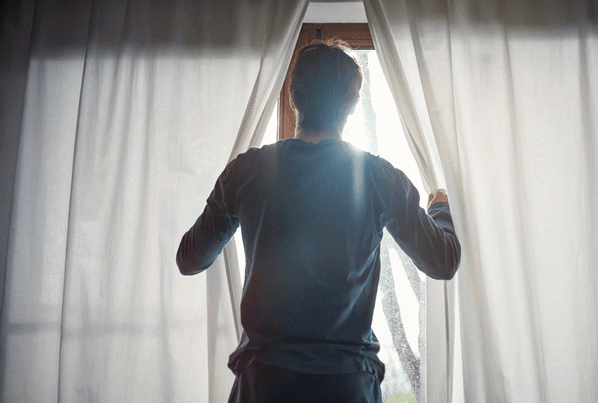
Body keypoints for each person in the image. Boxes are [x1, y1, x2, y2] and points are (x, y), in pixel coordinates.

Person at [176, 41, 460, 403]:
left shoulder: (246, 171)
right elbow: (443, 261)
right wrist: (441, 208)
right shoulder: (378, 177)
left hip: (265, 384)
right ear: (353, 104)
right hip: (346, 385)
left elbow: (190, 259)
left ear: (294, 98)